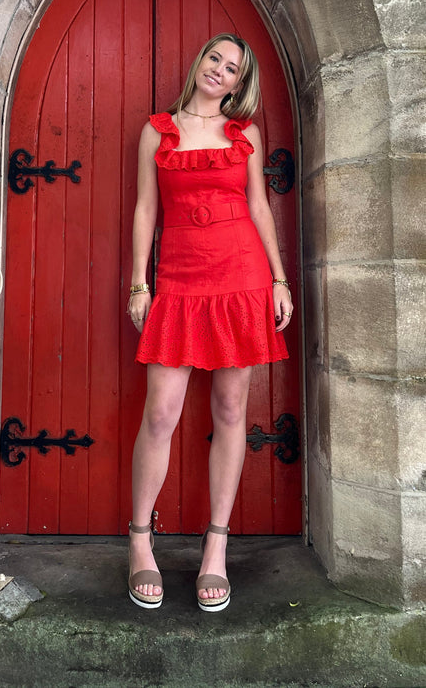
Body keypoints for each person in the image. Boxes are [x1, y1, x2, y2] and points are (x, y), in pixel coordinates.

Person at [127, 33, 293, 612]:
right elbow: (146, 210)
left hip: (240, 277)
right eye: (214, 59)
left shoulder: (242, 133)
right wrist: (139, 283)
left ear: (239, 83)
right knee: (161, 412)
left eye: (232, 69)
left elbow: (258, 207)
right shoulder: (158, 130)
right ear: (198, 62)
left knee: (230, 411)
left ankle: (215, 549)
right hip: (178, 279)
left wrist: (278, 279)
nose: (219, 71)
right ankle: (140, 541)